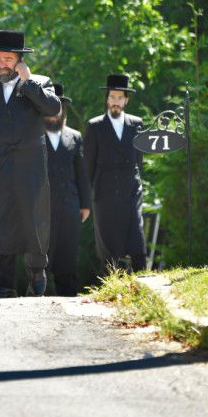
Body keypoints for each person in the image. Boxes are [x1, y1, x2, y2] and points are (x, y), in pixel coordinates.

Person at [0, 30, 61, 298]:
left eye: (8, 59)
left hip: (30, 164)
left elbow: (53, 109)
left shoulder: (39, 82)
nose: (2, 63)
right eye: (0, 58)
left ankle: (37, 272)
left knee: (33, 217)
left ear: (20, 61)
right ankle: (5, 283)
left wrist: (28, 82)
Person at [84, 74, 146, 272]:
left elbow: (139, 161)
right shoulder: (95, 126)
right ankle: (111, 290)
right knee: (109, 249)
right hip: (105, 193)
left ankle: (142, 285)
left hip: (131, 191)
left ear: (126, 100)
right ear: (107, 99)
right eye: (112, 97)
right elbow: (88, 166)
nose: (115, 102)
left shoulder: (137, 124)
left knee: (137, 241)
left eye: (120, 98)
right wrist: (87, 200)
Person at [42, 83, 91, 296]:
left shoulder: (75, 136)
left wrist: (85, 204)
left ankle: (68, 297)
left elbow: (82, 173)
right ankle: (37, 300)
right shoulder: (32, 137)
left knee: (67, 255)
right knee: (41, 256)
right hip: (41, 208)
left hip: (69, 206)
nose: (55, 113)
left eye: (58, 107)